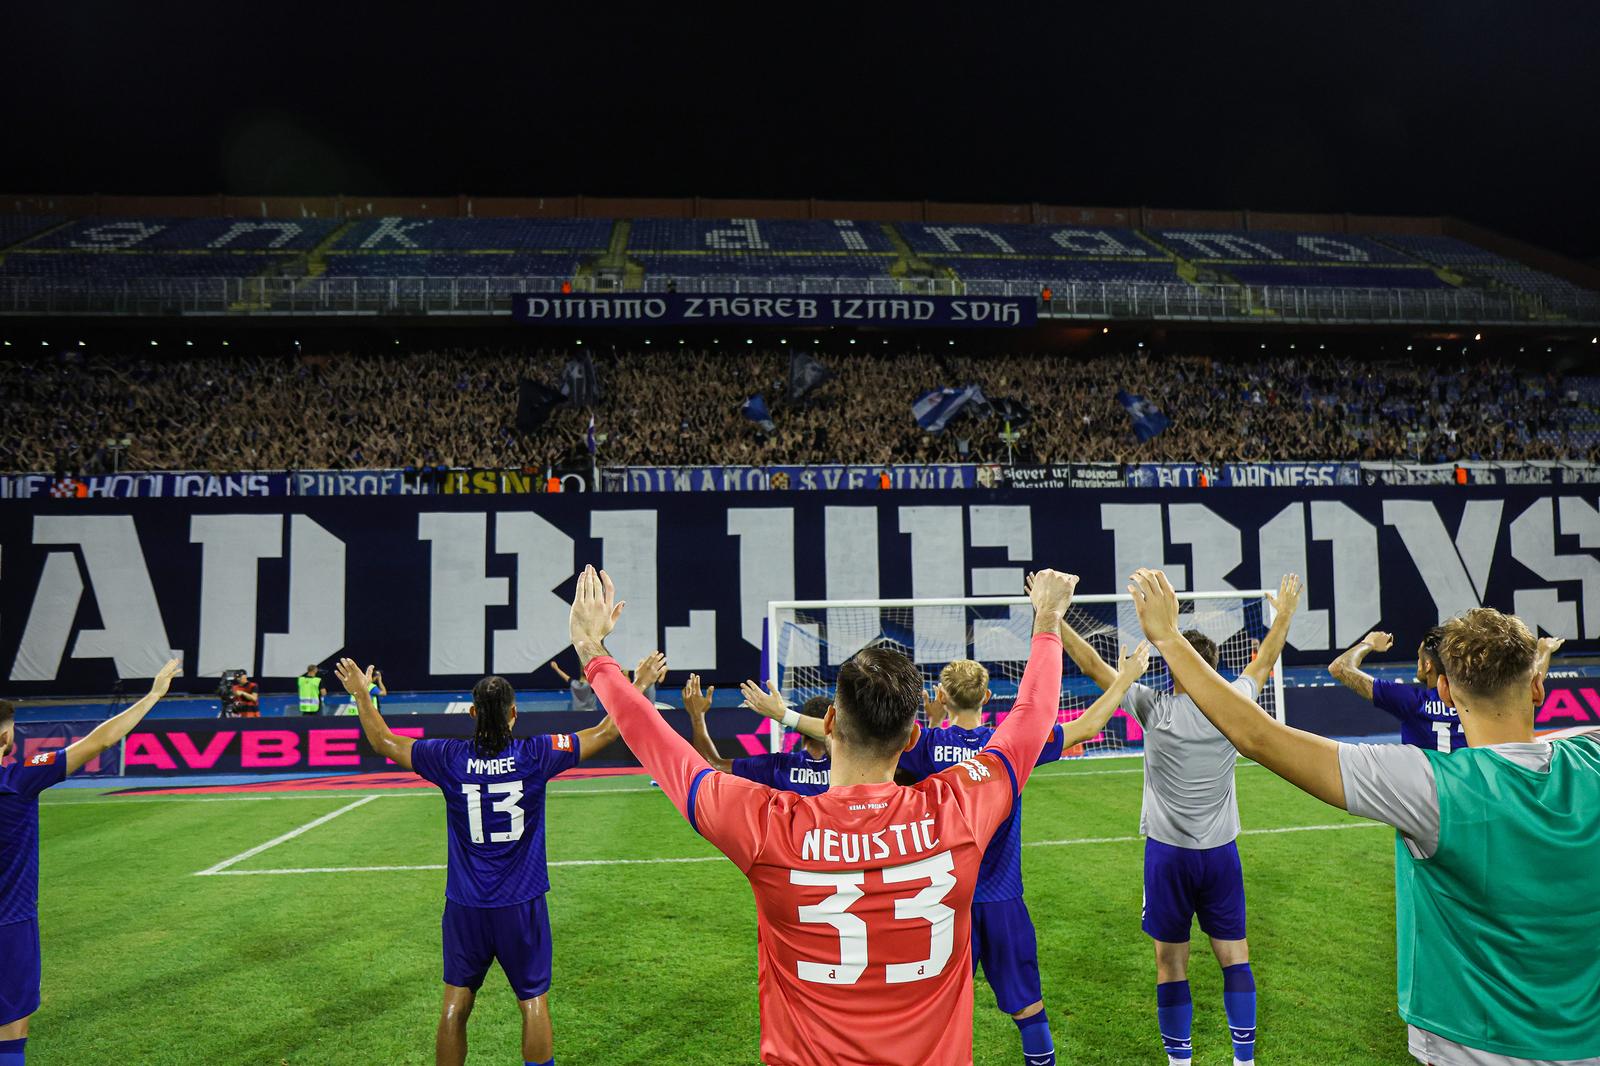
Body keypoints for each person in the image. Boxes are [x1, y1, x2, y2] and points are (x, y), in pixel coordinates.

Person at [570, 563, 1076, 1066]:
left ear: (830, 721)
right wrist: (1048, 617)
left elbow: (660, 746)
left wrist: (594, 652)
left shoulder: (770, 827)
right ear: (910, 737)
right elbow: (1032, 717)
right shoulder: (960, 807)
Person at [1125, 569, 1600, 1066]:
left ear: (1443, 691)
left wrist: (1167, 637)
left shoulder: (1426, 786)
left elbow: (1258, 736)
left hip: (1471, 1046)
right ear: (1539, 688)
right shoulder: (1587, 757)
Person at [1059, 574, 1301, 1066]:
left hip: (1168, 856)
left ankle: (1180, 1062)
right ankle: (1244, 1059)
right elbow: (1264, 660)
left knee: (1171, 964)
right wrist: (1284, 616)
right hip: (1220, 855)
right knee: (1235, 957)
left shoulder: (1153, 708)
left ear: (1173, 668)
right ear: (1212, 669)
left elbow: (1093, 665)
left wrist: (1054, 620)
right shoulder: (1235, 705)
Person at [333, 657, 621, 1066]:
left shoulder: (448, 757)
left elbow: (384, 742)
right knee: (533, 1001)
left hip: (466, 905)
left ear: (471, 713)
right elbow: (608, 730)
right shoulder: (537, 753)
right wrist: (637, 684)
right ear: (514, 714)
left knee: (455, 1003)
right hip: (521, 903)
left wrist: (362, 694)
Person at [890, 652, 1151, 1066]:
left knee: (929, 1016)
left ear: (941, 695)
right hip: (1002, 899)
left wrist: (933, 720)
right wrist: (1126, 678)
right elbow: (1088, 725)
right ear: (989, 696)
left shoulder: (926, 746)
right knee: (1028, 1008)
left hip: (941, 902)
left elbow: (875, 743)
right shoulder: (1010, 745)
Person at [0, 658, 182, 1065]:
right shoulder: (19, 779)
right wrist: (154, 694)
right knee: (9, 1031)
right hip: (8, 927)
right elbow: (99, 742)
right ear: (8, 736)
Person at [1330, 629, 1565, 752]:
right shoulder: (1480, 698)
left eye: (1419, 658)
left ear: (1428, 665)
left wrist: (1368, 644)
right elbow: (1529, 682)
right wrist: (1543, 651)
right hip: (1477, 794)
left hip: (1428, 802)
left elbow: (1340, 668)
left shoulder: (1411, 702)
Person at [681, 674, 831, 795]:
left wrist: (697, 716)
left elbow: (713, 764)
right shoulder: (850, 769)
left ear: (800, 732)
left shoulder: (777, 766)